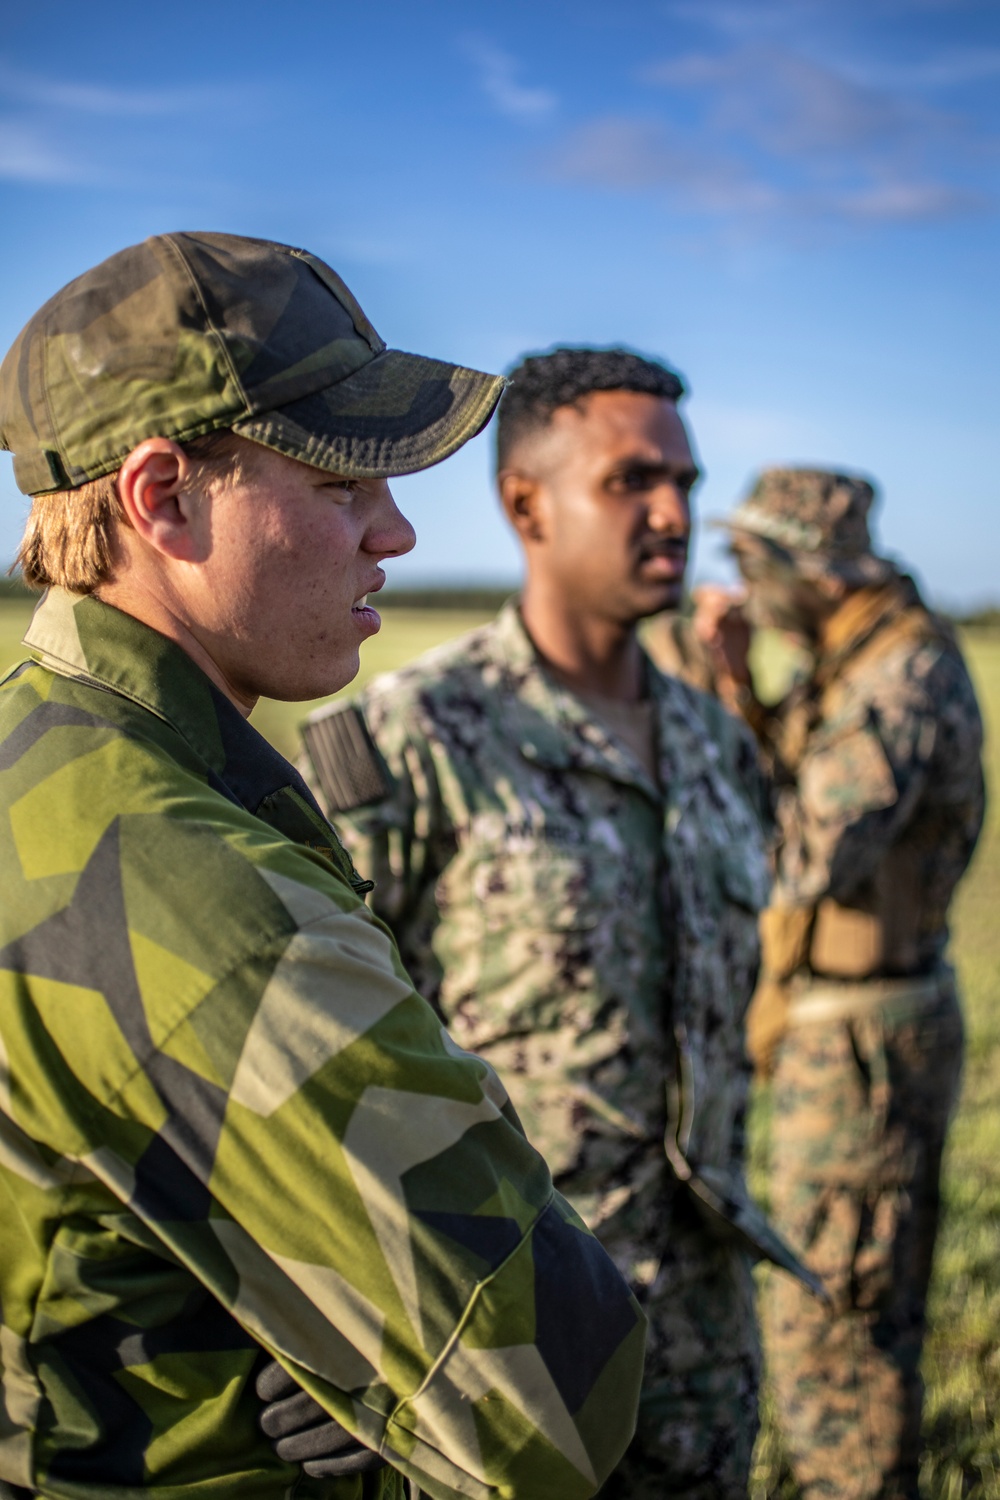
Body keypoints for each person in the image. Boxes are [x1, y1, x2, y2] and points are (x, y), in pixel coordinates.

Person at [0, 234, 648, 1500]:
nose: (394, 531)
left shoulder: (39, 752)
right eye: (343, 479)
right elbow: (553, 1398)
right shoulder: (192, 890)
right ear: (160, 498)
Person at [301, 348, 820, 1500]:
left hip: (697, 1339)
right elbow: (323, 1068)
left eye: (683, 479)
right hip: (497, 1343)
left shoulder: (715, 742)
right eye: (630, 481)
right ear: (524, 503)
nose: (675, 512)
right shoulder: (405, 741)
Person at [683, 467, 985, 1499]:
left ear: (805, 568)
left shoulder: (894, 682)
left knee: (839, 1332)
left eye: (750, 564)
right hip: (841, 1036)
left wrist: (699, 716)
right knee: (828, 1313)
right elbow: (799, 799)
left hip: (864, 1050)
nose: (740, 585)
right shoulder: (853, 660)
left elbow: (790, 855)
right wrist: (738, 687)